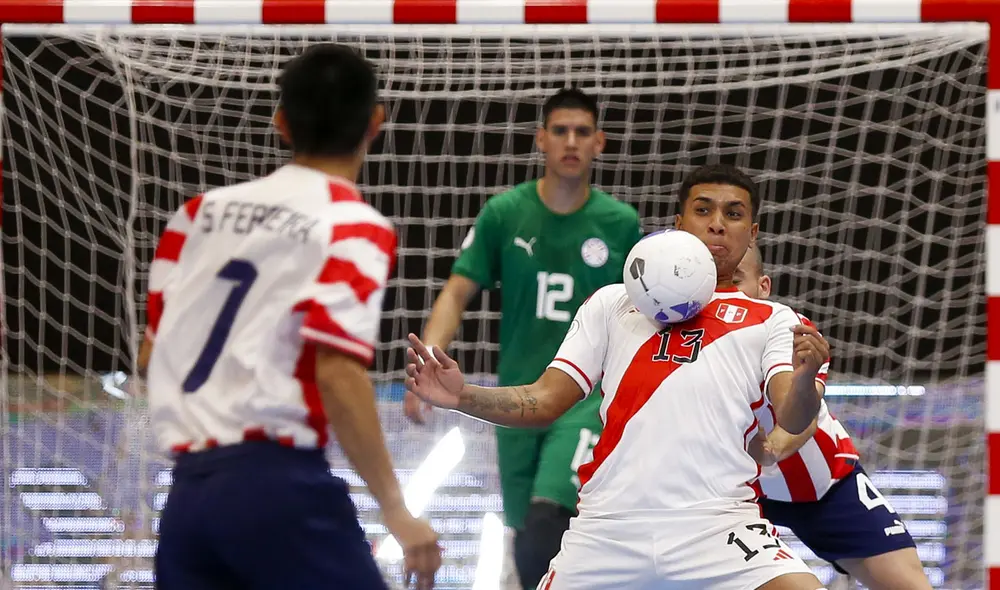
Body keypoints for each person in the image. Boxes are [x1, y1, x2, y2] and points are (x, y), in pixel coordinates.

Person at [405, 163, 832, 590]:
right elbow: (545, 400)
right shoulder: (613, 303)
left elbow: (791, 419)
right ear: (679, 224)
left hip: (717, 524)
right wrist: (464, 396)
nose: (717, 225)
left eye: (733, 214)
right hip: (607, 531)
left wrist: (805, 375)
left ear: (752, 233)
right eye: (704, 211)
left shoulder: (774, 320)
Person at [139, 44, 441, 590]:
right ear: (376, 122)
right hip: (276, 489)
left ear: (281, 123)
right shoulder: (353, 223)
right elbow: (336, 371)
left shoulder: (194, 216)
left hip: (188, 499)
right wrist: (396, 510)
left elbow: (150, 355)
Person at [402, 88, 643, 588]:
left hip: (585, 400)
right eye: (560, 130)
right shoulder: (504, 213)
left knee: (545, 528)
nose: (570, 141)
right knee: (527, 540)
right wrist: (427, 358)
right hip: (514, 398)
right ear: (541, 139)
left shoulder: (621, 224)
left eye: (582, 132)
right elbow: (456, 291)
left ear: (599, 142)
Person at [733, 245, 932, 590]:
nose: (725, 293)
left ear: (763, 287)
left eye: (736, 281)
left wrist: (770, 450)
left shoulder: (789, 332)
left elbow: (804, 416)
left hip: (826, 486)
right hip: (739, 498)